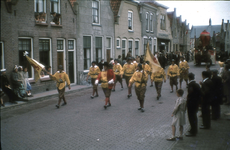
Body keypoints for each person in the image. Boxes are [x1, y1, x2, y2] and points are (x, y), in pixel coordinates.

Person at [185, 73, 202, 137]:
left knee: (191, 117)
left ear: (189, 78)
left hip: (191, 104)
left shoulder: (191, 85)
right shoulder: (197, 84)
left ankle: (193, 131)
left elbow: (190, 94)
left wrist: (188, 100)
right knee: (194, 117)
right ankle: (193, 129)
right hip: (196, 103)